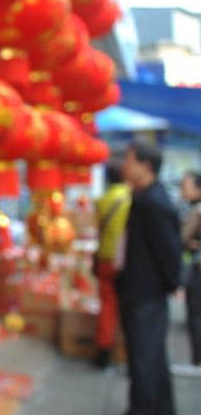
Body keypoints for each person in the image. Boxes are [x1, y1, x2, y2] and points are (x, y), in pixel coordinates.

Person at [117, 141, 182, 415]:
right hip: (141, 290)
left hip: (146, 293)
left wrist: (171, 284)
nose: (125, 166)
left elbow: (170, 252)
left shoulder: (153, 203)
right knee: (151, 360)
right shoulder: (144, 198)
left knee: (145, 361)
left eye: (129, 160)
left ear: (145, 166)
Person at [93, 158, 131, 369]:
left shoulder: (103, 200)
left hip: (104, 259)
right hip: (121, 261)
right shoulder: (129, 199)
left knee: (106, 305)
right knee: (120, 306)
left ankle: (103, 349)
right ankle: (117, 350)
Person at [172, 171, 201, 375]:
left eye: (185, 185)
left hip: (197, 270)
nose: (181, 189)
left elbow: (182, 237)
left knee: (196, 313)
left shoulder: (197, 211)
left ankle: (197, 360)